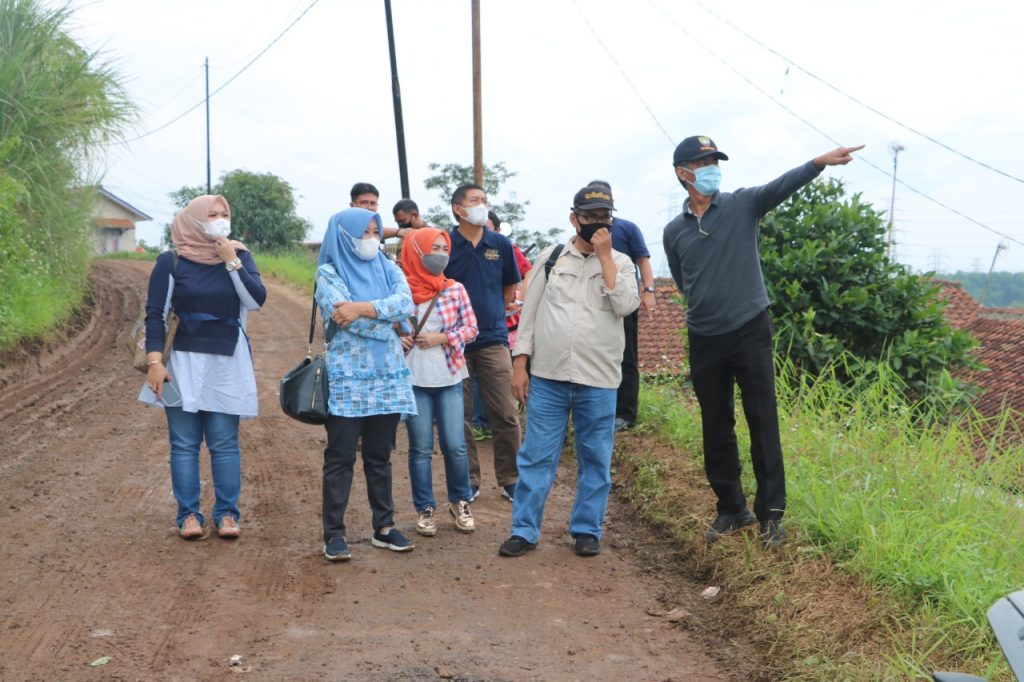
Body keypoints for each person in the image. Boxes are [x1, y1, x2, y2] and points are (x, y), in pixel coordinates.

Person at [663, 135, 864, 547]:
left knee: (762, 421)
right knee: (716, 427)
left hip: (750, 329)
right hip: (704, 337)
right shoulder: (674, 231)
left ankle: (771, 515)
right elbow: (685, 281)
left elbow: (780, 186)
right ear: (683, 173)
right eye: (703, 163)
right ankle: (731, 508)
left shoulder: (742, 205)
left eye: (715, 161)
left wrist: (817, 163)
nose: (711, 169)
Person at [498, 185, 639, 558]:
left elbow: (625, 305)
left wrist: (606, 257)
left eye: (604, 218)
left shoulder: (622, 263)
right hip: (548, 378)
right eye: (590, 217)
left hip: (599, 380)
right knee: (536, 457)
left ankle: (587, 530)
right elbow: (528, 315)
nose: (597, 224)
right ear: (574, 218)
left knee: (595, 458)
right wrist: (520, 364)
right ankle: (524, 530)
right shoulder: (551, 258)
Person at [139, 195, 266, 540]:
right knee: (183, 443)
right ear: (194, 220)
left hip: (228, 361)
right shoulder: (172, 262)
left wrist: (231, 262)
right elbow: (156, 314)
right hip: (183, 361)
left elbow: (255, 301)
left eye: (225, 213)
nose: (220, 219)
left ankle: (226, 513)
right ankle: (188, 515)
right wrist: (154, 362)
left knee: (224, 443)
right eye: (212, 214)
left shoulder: (240, 255)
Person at [316, 207, 418, 561]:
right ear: (344, 236)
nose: (372, 238)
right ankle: (333, 534)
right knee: (340, 456)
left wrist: (360, 307)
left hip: (387, 377)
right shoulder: (328, 273)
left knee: (380, 455)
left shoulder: (388, 267)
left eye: (376, 232)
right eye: (365, 232)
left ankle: (385, 527)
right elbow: (344, 319)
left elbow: (406, 305)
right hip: (348, 379)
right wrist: (384, 320)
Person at [444, 184, 523, 502]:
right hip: (453, 341)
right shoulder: (445, 243)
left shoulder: (499, 244)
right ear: (458, 210)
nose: (482, 205)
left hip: (492, 338)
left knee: (505, 412)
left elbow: (509, 288)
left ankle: (511, 478)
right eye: (475, 201)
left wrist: (491, 314)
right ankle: (468, 480)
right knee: (459, 416)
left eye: (485, 200)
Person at [399, 228, 479, 536]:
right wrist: (401, 338)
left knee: (455, 445)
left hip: (449, 375)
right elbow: (388, 325)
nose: (441, 253)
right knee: (420, 447)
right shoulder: (400, 289)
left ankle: (460, 501)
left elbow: (471, 327)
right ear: (417, 251)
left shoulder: (455, 289)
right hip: (414, 377)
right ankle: (425, 507)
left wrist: (444, 337)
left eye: (445, 248)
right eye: (433, 247)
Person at [586, 180, 657, 432]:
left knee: (626, 355)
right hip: (593, 303)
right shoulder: (585, 230)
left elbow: (643, 261)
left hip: (623, 300)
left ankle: (626, 413)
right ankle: (596, 411)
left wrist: (648, 291)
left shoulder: (627, 228)